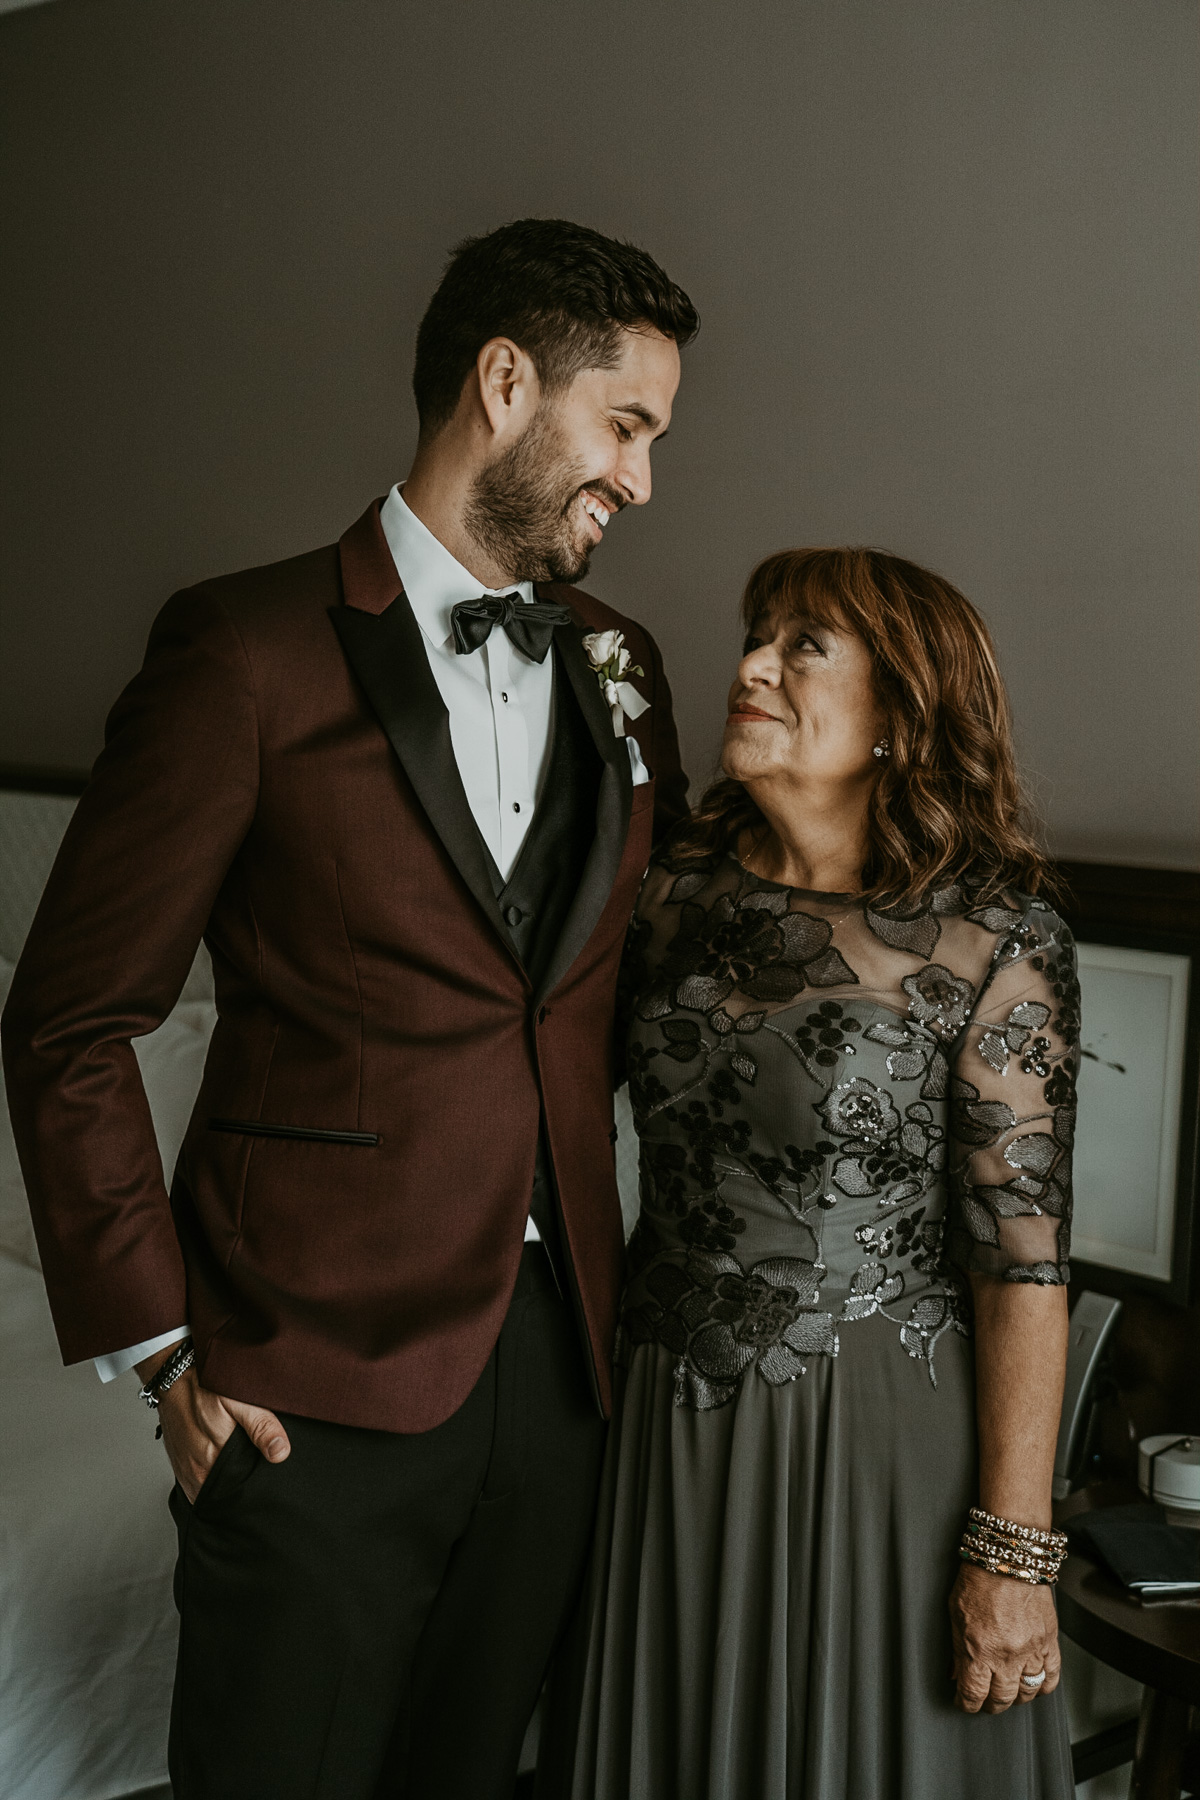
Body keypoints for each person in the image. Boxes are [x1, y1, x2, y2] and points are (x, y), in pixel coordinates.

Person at [1, 217, 698, 1800]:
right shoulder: (241, 652)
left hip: (560, 1377)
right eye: (628, 426)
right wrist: (166, 1354)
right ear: (505, 384)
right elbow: (67, 1022)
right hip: (300, 1383)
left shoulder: (623, 665)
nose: (642, 481)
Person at [542, 548, 1077, 1800]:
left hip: (878, 1435)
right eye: (755, 635)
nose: (750, 668)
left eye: (802, 647)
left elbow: (1026, 1258)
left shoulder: (992, 933)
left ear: (899, 714)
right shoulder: (666, 888)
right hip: (658, 1421)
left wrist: (1015, 1551)